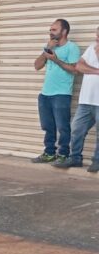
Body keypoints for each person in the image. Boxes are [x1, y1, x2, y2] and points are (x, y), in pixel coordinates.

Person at [33, 19, 81, 164]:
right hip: (45, 93)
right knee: (47, 126)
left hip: (61, 94)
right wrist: (46, 50)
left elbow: (75, 70)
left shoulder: (72, 48)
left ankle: (63, 155)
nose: (50, 32)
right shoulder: (49, 47)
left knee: (63, 126)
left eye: (54, 30)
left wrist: (56, 59)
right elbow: (37, 66)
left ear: (64, 31)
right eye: (50, 29)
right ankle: (49, 153)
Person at [55, 25, 99, 172]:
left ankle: (97, 161)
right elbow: (79, 67)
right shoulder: (91, 47)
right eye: (96, 35)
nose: (96, 38)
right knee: (76, 129)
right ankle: (75, 158)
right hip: (86, 100)